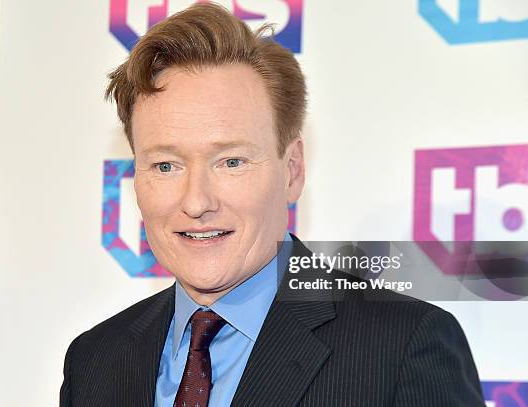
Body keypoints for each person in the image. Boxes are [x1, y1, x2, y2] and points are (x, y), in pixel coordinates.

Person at [60, 3, 485, 406]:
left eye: (231, 161)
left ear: (293, 170)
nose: (196, 202)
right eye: (166, 165)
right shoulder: (94, 360)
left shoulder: (404, 348)